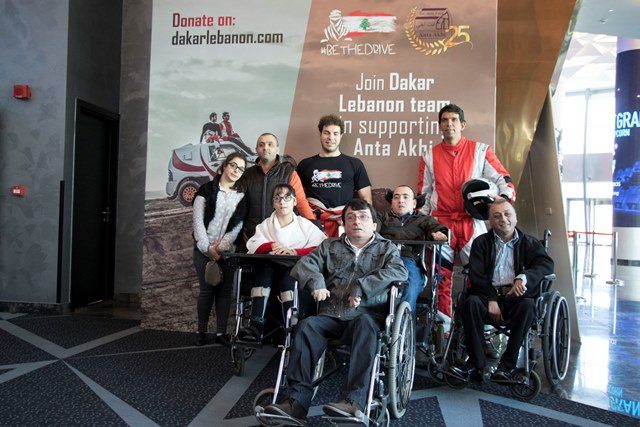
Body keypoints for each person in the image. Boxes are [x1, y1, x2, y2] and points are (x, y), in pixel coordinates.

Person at [261, 199, 408, 423]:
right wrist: (317, 281)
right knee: (306, 327)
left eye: (363, 217)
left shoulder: (386, 249)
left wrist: (363, 287)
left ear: (374, 225)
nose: (356, 221)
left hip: (364, 316)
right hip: (330, 314)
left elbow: (399, 272)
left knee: (366, 326)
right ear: (344, 224)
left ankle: (353, 401)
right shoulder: (329, 246)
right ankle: (296, 403)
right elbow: (304, 265)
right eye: (351, 217)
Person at [417, 104, 516, 321]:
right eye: (444, 120)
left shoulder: (481, 150)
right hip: (441, 224)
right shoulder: (429, 155)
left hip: (471, 222)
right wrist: (418, 222)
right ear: (439, 125)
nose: (449, 124)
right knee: (440, 278)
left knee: (480, 276)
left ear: (462, 125)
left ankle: (479, 326)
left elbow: (504, 179)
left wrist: (503, 201)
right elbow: (423, 194)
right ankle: (443, 328)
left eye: (454, 120)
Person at [450, 199, 553, 383]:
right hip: (487, 296)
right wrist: (492, 299)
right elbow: (477, 274)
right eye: (496, 216)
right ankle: (476, 365)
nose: (503, 219)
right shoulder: (481, 243)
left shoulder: (529, 243)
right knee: (470, 303)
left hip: (517, 297)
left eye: (507, 214)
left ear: (515, 217)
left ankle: (507, 366)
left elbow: (546, 265)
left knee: (528, 306)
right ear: (490, 221)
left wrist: (524, 277)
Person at [240, 184, 327, 341]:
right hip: (269, 268)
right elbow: (253, 246)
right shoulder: (266, 225)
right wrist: (271, 245)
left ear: (294, 201)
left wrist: (294, 252)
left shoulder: (305, 225)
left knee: (289, 276)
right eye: (277, 198)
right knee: (264, 271)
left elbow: (321, 247)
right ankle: (255, 326)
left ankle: (292, 326)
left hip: (294, 268)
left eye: (287, 198)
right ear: (273, 203)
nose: (282, 202)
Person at [192, 152, 248, 346]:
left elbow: (237, 226)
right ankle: (201, 331)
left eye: (241, 169)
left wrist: (221, 248)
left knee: (225, 292)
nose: (236, 170)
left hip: (228, 252)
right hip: (203, 250)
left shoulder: (242, 196)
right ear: (224, 166)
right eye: (233, 165)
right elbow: (198, 221)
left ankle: (220, 333)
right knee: (206, 291)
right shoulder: (205, 190)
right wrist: (207, 248)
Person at [297, 114, 372, 237]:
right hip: (312, 224)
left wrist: (365, 224)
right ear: (320, 134)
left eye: (335, 133)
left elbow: (366, 200)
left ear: (341, 135)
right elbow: (299, 199)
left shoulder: (355, 164)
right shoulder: (305, 164)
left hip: (345, 223)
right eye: (326, 133)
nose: (331, 137)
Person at [377, 185, 448, 312]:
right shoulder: (382, 217)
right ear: (392, 202)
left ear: (414, 203)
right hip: (382, 258)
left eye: (406, 197)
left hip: (409, 259)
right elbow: (370, 228)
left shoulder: (423, 219)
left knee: (410, 287)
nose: (401, 201)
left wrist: (440, 234)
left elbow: (436, 228)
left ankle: (405, 320)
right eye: (396, 197)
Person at [241, 133, 315, 242]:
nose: (265, 148)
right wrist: (240, 231)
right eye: (261, 145)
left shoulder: (289, 173)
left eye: (270, 144)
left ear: (277, 149)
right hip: (254, 236)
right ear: (256, 149)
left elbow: (301, 203)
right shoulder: (247, 175)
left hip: (284, 237)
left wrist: (315, 228)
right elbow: (240, 206)